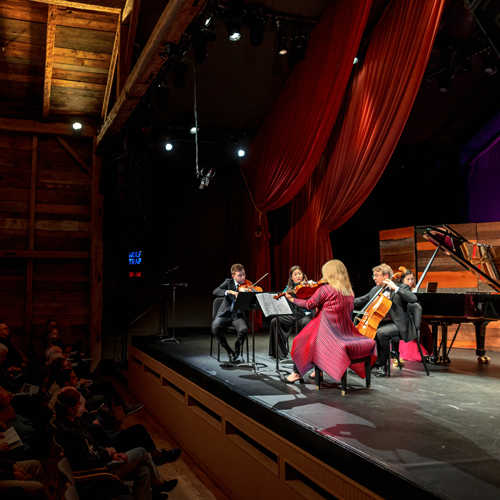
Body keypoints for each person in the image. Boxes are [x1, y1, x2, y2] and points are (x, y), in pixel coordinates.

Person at [55, 388, 177, 500]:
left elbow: (93, 443)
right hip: (96, 475)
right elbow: (87, 462)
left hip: (102, 463)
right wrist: (107, 453)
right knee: (141, 452)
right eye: (79, 404)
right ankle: (158, 483)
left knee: (143, 470)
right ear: (71, 410)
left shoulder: (73, 422)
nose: (82, 405)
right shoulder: (68, 433)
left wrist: (110, 454)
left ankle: (154, 488)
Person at [284, 260, 377, 383]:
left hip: (326, 331)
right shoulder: (349, 291)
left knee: (300, 341)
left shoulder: (326, 289)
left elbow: (309, 304)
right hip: (345, 332)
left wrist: (292, 299)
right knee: (311, 339)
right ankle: (319, 370)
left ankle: (296, 373)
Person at [354, 263, 418, 377]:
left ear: (386, 276)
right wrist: (343, 301)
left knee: (381, 333)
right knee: (364, 331)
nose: (374, 278)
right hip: (382, 323)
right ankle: (367, 363)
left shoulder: (402, 287)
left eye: (377, 275)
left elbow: (413, 299)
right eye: (374, 275)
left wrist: (396, 288)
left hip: (398, 325)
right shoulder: (375, 290)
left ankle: (381, 365)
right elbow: (361, 301)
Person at [268, 265, 315, 359]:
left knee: (306, 322)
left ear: (303, 275)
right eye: (295, 274)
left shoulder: (308, 285)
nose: (298, 276)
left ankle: (305, 354)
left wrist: (311, 286)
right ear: (291, 278)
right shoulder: (289, 288)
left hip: (306, 314)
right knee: (275, 321)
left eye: (299, 273)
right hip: (294, 314)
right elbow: (281, 296)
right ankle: (279, 353)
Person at [212, 263, 251, 362]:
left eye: (244, 274)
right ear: (233, 276)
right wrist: (229, 291)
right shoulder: (228, 282)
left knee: (244, 330)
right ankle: (228, 350)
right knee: (215, 327)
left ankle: (238, 345)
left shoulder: (247, 285)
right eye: (240, 275)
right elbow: (216, 291)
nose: (243, 277)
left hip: (237, 316)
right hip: (225, 314)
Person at [395, 270, 429, 364]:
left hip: (413, 317)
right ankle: (415, 351)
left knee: (424, 326)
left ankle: (427, 350)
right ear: (402, 280)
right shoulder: (400, 291)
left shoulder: (413, 290)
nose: (411, 281)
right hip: (404, 318)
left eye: (412, 279)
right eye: (408, 279)